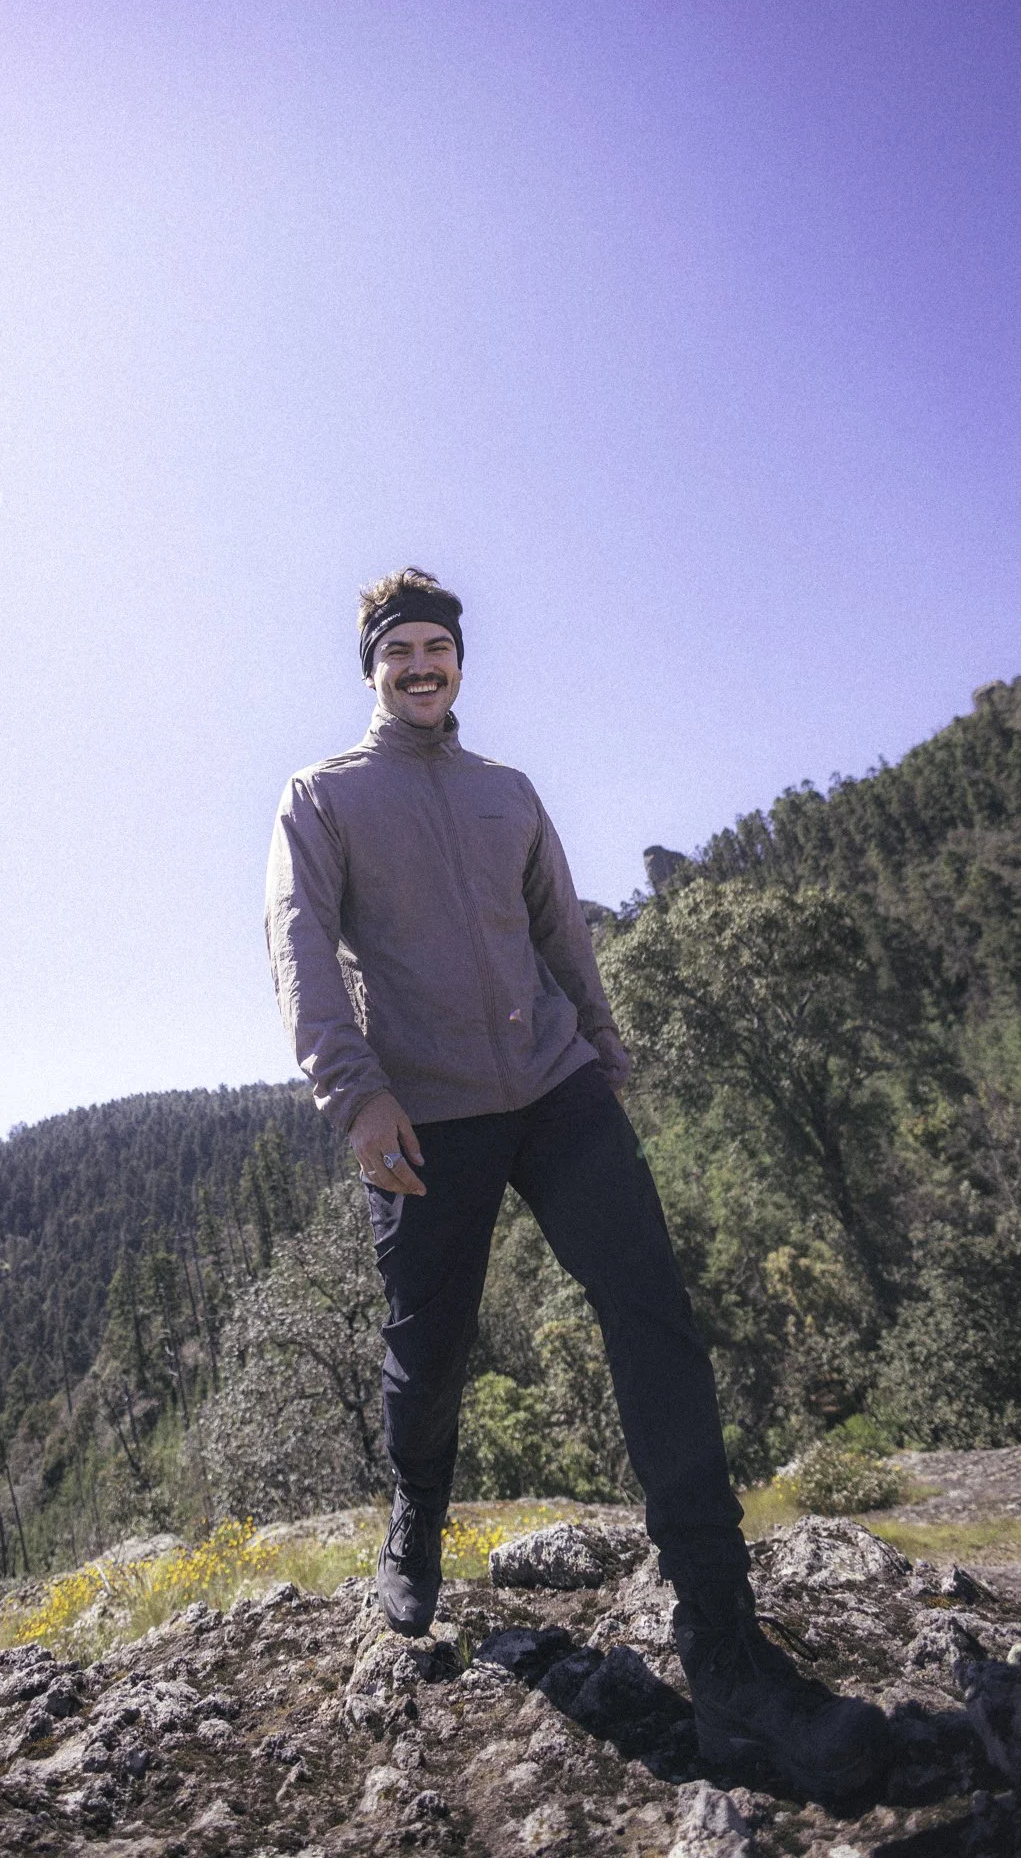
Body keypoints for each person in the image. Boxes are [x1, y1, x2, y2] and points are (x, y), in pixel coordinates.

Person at [264, 567, 889, 1802]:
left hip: (555, 1087)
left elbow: (562, 932)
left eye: (439, 646)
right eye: (401, 651)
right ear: (371, 669)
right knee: (425, 1349)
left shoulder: (509, 792)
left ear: (460, 663)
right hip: (426, 1112)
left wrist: (601, 1050)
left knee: (653, 1313)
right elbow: (298, 948)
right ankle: (416, 1517)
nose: (423, 665)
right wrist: (356, 1092)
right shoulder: (322, 798)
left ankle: (721, 1636)